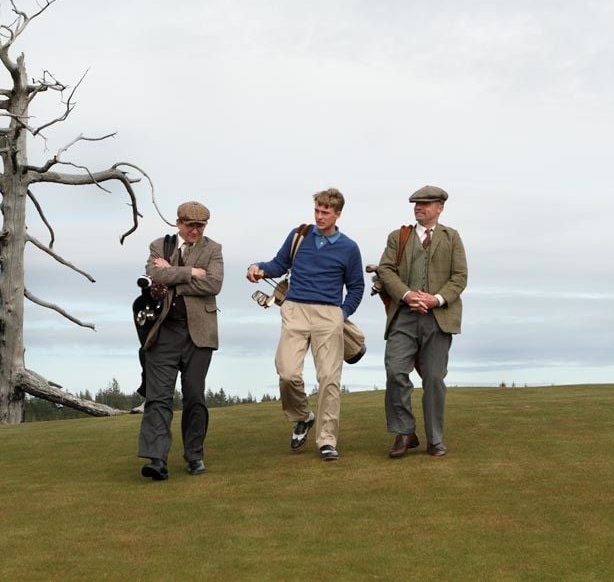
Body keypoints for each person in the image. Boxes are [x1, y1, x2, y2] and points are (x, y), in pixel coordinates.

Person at [246, 188, 364, 461]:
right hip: (294, 309)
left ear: (338, 214)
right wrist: (258, 267)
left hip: (329, 315)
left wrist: (341, 314)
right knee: (287, 372)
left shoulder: (349, 247)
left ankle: (327, 440)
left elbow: (356, 287)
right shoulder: (299, 235)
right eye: (317, 210)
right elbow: (278, 265)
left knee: (328, 379)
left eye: (326, 212)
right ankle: (302, 416)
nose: (320, 216)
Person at [376, 185, 467, 458]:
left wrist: (435, 299)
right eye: (416, 203)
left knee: (434, 379)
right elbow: (386, 269)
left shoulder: (452, 238)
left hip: (438, 319)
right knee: (395, 371)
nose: (419, 207)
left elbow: (460, 277)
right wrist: (406, 295)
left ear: (440, 208)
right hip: (403, 317)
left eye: (426, 204)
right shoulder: (398, 237)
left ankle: (435, 439)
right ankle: (404, 432)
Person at [138, 201, 223, 480]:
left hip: (199, 334)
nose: (196, 231)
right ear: (179, 223)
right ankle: (156, 459)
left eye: (200, 226)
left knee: (195, 397)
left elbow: (213, 285)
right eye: (191, 225)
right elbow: (156, 275)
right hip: (163, 332)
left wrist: (174, 275)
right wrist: (191, 272)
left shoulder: (214, 249)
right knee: (158, 397)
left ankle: (194, 455)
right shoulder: (159, 246)